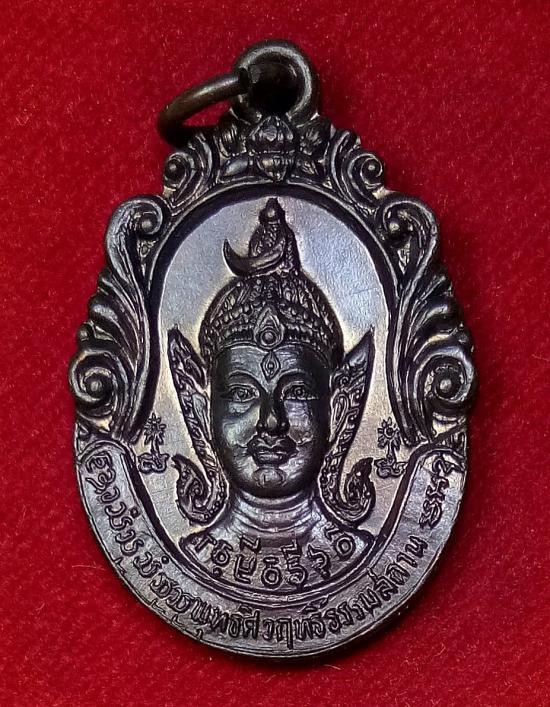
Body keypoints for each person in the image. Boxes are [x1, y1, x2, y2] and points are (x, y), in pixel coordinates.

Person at [168, 199, 376, 592]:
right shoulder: (188, 558)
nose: (271, 421)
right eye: (241, 393)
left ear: (338, 408)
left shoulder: (365, 558)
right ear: (200, 408)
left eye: (296, 391)